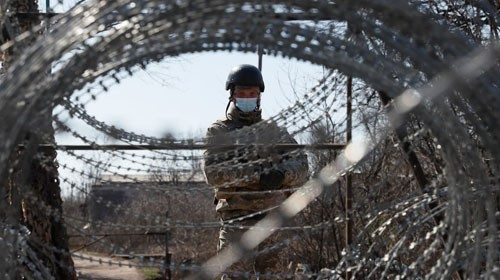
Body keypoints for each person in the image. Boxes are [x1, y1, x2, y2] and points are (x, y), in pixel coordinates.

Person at [203, 64, 309, 279]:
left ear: (259, 95)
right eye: (242, 93)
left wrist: (281, 175)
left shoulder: (274, 132)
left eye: (252, 93)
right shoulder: (220, 131)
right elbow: (215, 174)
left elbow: (302, 166)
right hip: (236, 222)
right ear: (232, 96)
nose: (247, 97)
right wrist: (260, 176)